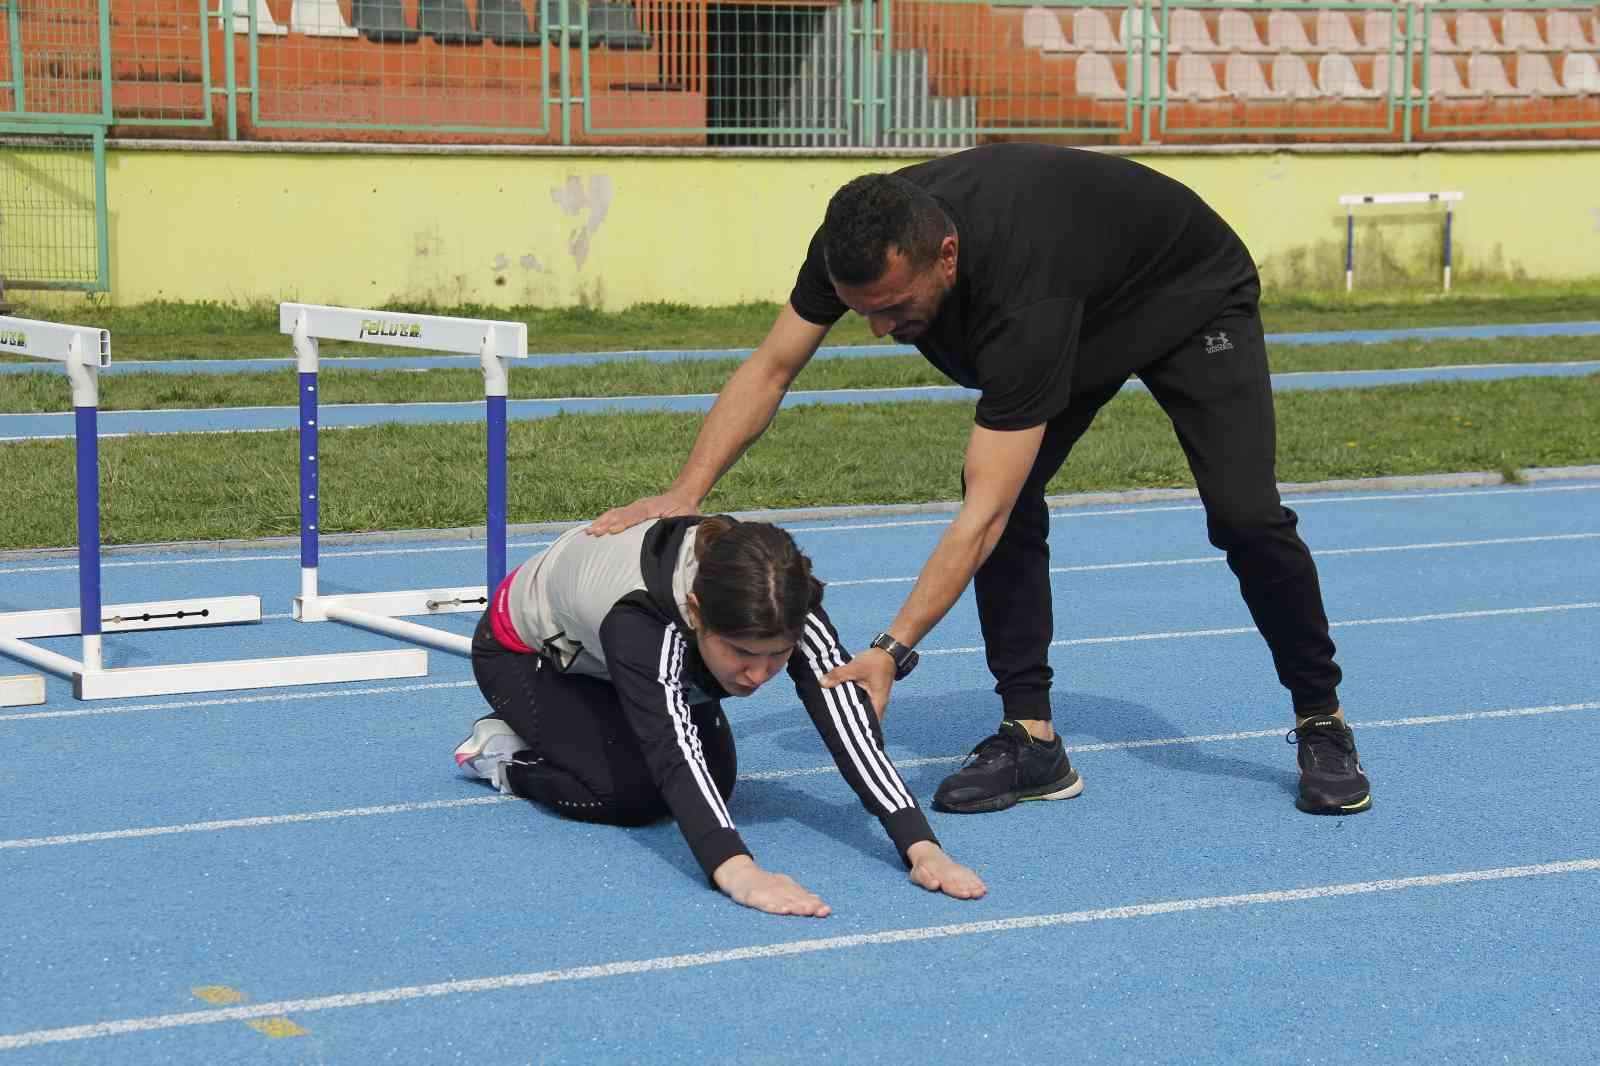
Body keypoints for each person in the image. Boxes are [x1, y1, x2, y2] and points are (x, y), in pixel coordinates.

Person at [588, 142, 1371, 818]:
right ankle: (1032, 740)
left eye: (895, 308)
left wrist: (890, 650)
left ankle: (1321, 720)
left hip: (1185, 295)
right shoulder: (857, 239)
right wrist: (685, 492)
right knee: (1018, 499)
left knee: (1243, 515)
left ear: (949, 257)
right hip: (1081, 297)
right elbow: (773, 365)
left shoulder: (1024, 291)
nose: (880, 330)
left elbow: (983, 514)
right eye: (863, 311)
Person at [455, 513, 986, 917]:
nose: (757, 676)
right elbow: (672, 749)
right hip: (527, 656)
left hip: (624, 663)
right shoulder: (642, 618)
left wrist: (919, 845)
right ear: (695, 610)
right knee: (632, 796)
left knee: (720, 780)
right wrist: (736, 870)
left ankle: (603, 719)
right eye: (741, 653)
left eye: (775, 655)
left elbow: (841, 708)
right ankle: (504, 754)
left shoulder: (781, 593)